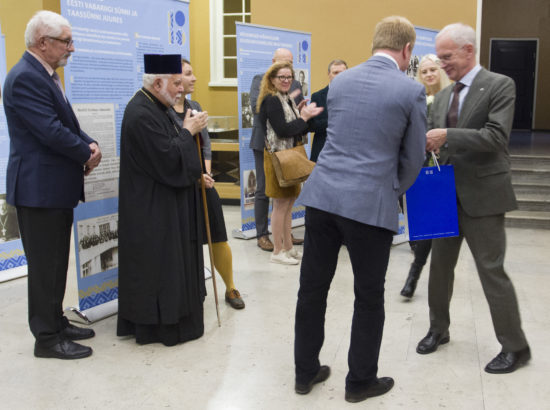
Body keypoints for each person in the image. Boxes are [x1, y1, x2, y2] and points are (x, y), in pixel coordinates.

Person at [294, 16, 426, 403]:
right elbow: (414, 156)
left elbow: (338, 136)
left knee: (311, 289)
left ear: (374, 43)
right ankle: (360, 382)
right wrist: (390, 189)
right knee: (368, 296)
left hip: (322, 198)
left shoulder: (341, 82)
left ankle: (304, 373)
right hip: (369, 204)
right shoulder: (410, 90)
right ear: (406, 50)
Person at [417, 23, 531, 374]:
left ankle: (516, 346)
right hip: (445, 195)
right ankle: (439, 328)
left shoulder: (499, 85)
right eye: (439, 57)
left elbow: (496, 137)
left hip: (483, 195)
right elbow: (435, 142)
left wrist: (446, 134)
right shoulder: (444, 96)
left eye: (447, 57)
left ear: (468, 50)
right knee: (439, 269)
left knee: (491, 271)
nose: (442, 64)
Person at [2, 10, 101, 359]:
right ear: (43, 43)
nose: (71, 48)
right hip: (38, 191)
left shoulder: (45, 74)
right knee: (45, 268)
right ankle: (46, 339)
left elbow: (67, 123)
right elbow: (49, 131)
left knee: (56, 262)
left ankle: (56, 321)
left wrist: (90, 143)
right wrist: (85, 154)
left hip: (53, 189)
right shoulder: (26, 78)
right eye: (66, 42)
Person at [117, 54, 208, 346]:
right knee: (158, 268)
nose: (182, 90)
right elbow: (168, 158)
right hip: (150, 208)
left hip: (162, 203)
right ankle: (160, 325)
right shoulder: (141, 113)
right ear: (158, 83)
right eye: (177, 83)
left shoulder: (156, 106)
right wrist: (188, 131)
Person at [171, 59, 245, 310]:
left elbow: (206, 143)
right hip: (181, 183)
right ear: (175, 79)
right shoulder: (163, 111)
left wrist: (207, 173)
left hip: (205, 182)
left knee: (218, 235)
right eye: (188, 74)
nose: (194, 78)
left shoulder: (194, 106)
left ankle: (230, 286)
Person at [257, 61, 322, 265]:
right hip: (278, 158)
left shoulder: (287, 99)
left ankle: (288, 247)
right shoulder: (272, 100)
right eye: (281, 77)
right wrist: (302, 117)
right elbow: (283, 130)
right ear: (272, 80)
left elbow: (298, 130)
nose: (286, 81)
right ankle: (277, 251)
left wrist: (303, 116)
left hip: (289, 157)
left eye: (288, 77)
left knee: (288, 204)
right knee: (280, 205)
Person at [400, 54, 451, 298]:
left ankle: (420, 276)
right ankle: (414, 274)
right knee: (427, 227)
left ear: (440, 72)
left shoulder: (450, 99)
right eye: (425, 71)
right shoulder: (417, 99)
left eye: (433, 70)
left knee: (439, 228)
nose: (429, 74)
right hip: (422, 167)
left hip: (446, 168)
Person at [249, 48, 304, 252]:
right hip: (266, 142)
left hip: (289, 145)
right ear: (273, 62)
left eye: (290, 63)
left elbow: (296, 108)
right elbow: (257, 105)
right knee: (264, 189)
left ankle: (283, 236)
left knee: (286, 193)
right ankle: (262, 234)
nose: (287, 71)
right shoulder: (260, 80)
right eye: (283, 63)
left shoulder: (294, 82)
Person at [308, 59, 348, 162]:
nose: (339, 76)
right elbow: (313, 126)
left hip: (346, 153)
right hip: (323, 152)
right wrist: (334, 119)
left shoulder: (355, 97)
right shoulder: (317, 96)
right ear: (328, 74)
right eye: (335, 73)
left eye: (342, 73)